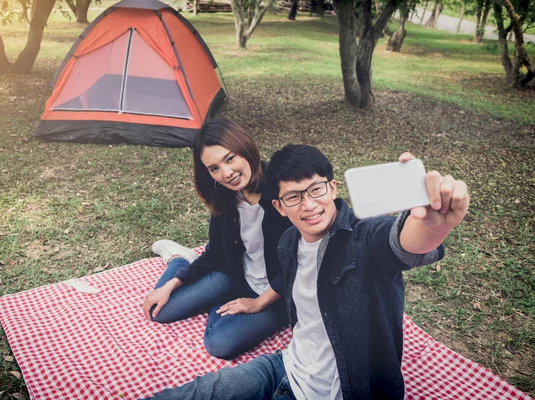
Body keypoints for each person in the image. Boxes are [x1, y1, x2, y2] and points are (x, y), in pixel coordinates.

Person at [147, 144, 469, 400]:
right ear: (279, 207)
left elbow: (399, 243)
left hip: (348, 389)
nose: (309, 205)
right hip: (284, 366)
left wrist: (429, 225)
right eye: (293, 197)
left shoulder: (361, 238)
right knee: (195, 393)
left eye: (316, 190)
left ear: (332, 188)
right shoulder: (289, 243)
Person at [142, 118, 291, 360]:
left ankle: (221, 297)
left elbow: (303, 262)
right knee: (159, 311)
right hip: (235, 275)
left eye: (230, 159)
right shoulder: (226, 197)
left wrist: (259, 303)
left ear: (245, 148)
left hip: (278, 295)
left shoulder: (283, 191)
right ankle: (179, 260)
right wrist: (172, 284)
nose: (227, 173)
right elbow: (215, 252)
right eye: (214, 168)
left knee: (219, 343)